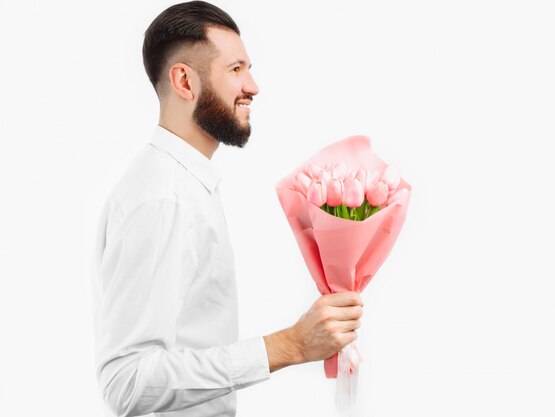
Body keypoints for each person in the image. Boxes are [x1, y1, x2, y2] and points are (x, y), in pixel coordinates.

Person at [90, 2, 363, 416]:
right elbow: (127, 382)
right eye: (235, 69)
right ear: (185, 80)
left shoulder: (186, 185)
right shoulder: (162, 198)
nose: (253, 86)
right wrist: (290, 345)